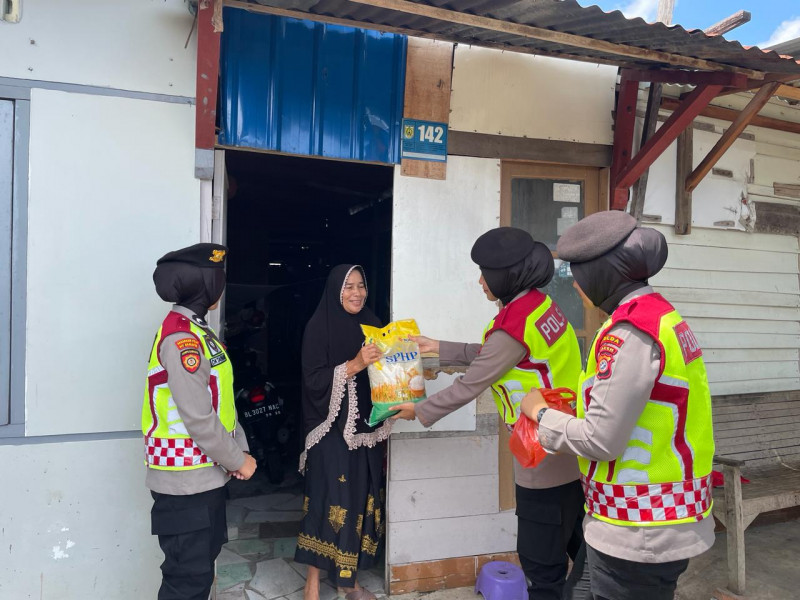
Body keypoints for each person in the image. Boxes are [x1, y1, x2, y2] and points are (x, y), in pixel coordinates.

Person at [520, 211, 715, 600]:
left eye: (579, 272)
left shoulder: (630, 334)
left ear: (602, 273)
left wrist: (539, 412)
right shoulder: (662, 317)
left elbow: (601, 439)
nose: (575, 284)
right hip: (640, 519)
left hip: (641, 532)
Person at [391, 227, 588, 600]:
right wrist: (438, 346)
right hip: (567, 447)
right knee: (577, 549)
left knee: (540, 565)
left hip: (541, 455)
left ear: (507, 275)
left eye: (486, 273)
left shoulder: (513, 323)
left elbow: (471, 384)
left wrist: (417, 410)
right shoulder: (538, 306)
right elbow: (497, 354)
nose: (480, 281)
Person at [142, 243, 257, 600]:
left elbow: (222, 404)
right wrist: (238, 459)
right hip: (184, 483)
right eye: (217, 279)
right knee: (186, 582)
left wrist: (237, 450)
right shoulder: (182, 339)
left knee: (198, 574)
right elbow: (197, 415)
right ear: (206, 285)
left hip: (204, 476)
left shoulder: (197, 332)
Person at [295, 264, 393, 600]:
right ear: (336, 291)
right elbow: (312, 381)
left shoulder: (374, 324)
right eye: (348, 287)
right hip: (329, 431)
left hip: (365, 429)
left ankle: (347, 583)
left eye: (361, 285)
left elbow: (389, 371)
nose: (356, 293)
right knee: (327, 503)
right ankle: (312, 584)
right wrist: (354, 364)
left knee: (357, 504)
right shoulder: (317, 327)